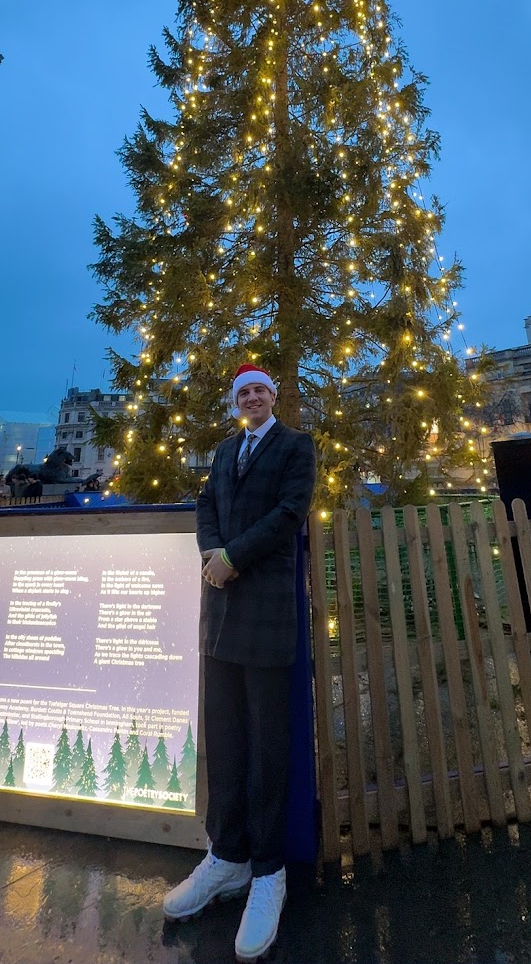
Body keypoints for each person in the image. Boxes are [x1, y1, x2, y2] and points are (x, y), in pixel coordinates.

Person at [163, 364, 316, 963]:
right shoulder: (224, 452)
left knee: (268, 742)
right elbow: (205, 505)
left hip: (266, 609)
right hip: (219, 613)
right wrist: (210, 550)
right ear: (236, 403)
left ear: (273, 398)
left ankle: (268, 873)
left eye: (260, 390)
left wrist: (232, 556)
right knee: (224, 738)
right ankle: (225, 857)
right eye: (243, 392)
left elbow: (289, 513)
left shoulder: (296, 446)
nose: (252, 397)